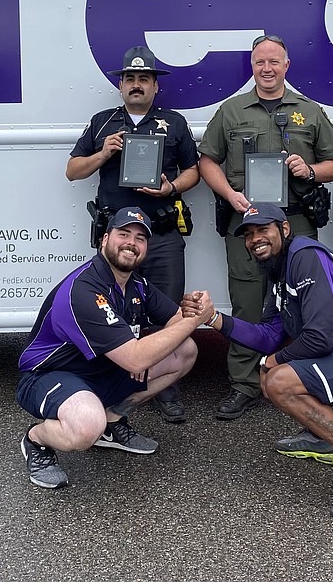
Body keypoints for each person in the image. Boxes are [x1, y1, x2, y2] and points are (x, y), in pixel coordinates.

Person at [187, 204, 333, 520]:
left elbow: (320, 338)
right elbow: (267, 336)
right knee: (274, 373)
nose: (254, 239)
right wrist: (214, 318)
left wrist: (272, 361)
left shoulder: (304, 256)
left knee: (278, 381)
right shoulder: (279, 272)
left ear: (284, 230)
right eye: (248, 234)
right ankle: (324, 437)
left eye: (263, 230)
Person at [198, 34, 333, 419]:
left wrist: (309, 169)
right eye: (260, 62)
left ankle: (303, 381)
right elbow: (207, 161)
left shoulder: (308, 111)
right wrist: (230, 195)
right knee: (248, 300)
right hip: (246, 221)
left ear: (286, 65)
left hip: (294, 220)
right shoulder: (231, 111)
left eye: (274, 62)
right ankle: (245, 384)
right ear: (252, 66)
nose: (267, 68)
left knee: (307, 302)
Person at [15, 208, 211, 489]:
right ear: (104, 240)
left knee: (185, 351)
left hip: (102, 370)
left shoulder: (137, 284)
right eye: (124, 234)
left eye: (140, 238)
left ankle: (112, 422)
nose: (132, 242)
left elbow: (177, 322)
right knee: (85, 427)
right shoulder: (84, 289)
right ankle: (36, 440)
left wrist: (192, 311)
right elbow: (135, 358)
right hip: (49, 375)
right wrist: (194, 321)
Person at [65, 46, 199, 422]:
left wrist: (170, 188)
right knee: (111, 313)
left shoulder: (174, 122)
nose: (136, 85)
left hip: (160, 235)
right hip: (116, 242)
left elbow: (194, 171)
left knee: (166, 311)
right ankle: (113, 384)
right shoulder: (103, 123)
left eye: (144, 79)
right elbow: (73, 171)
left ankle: (165, 389)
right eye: (130, 79)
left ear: (156, 86)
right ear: (120, 85)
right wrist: (103, 154)